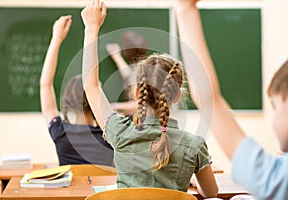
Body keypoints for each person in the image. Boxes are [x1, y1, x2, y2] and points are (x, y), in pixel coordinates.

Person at [81, 0, 218, 198]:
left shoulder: (120, 132)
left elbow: (90, 86)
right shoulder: (194, 145)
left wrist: (91, 29)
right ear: (178, 95)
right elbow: (211, 193)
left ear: (137, 94)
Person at [176, 0, 288, 199]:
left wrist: (186, 9)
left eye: (275, 106)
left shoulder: (280, 177)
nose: (273, 119)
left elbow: (208, 98)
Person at [40, 15, 113, 166]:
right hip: (101, 191)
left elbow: (45, 85)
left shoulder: (60, 133)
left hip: (69, 191)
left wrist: (56, 39)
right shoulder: (110, 134)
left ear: (68, 101)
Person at [106, 31, 148, 117]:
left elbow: (139, 104)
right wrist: (116, 56)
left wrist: (113, 106)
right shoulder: (142, 67)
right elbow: (128, 74)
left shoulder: (139, 72)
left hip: (138, 121)